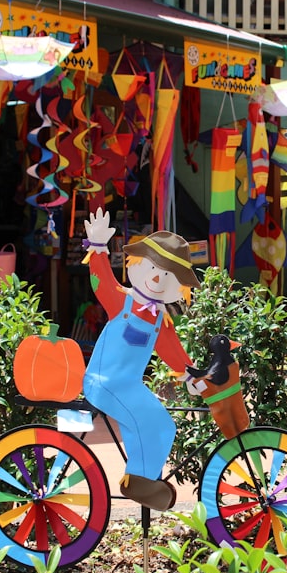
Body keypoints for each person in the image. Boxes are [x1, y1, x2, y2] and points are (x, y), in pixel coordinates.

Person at [81, 208, 201, 510]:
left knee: (159, 425)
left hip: (128, 386)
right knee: (152, 420)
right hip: (104, 382)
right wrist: (97, 247)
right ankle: (140, 483)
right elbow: (101, 283)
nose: (158, 279)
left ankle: (141, 478)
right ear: (137, 265)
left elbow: (170, 349)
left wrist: (190, 375)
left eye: (169, 276)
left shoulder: (160, 317)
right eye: (153, 268)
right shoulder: (122, 300)